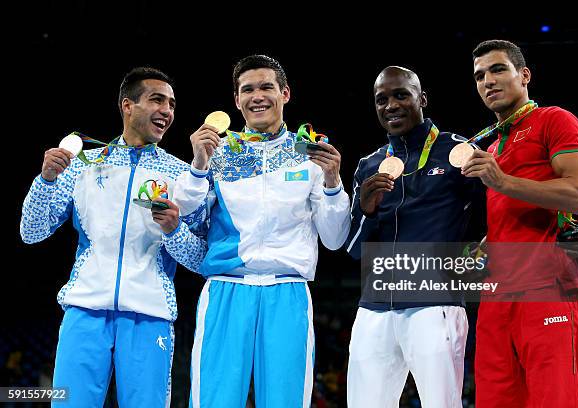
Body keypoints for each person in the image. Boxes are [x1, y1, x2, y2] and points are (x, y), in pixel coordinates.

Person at [163, 54, 351, 407]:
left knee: (286, 401)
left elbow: (335, 238)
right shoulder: (218, 151)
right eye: (248, 89)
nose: (257, 96)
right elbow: (185, 213)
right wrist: (199, 163)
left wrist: (332, 182)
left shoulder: (309, 153)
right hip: (226, 289)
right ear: (237, 100)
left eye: (266, 87)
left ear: (285, 93)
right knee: (213, 401)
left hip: (288, 291)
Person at [20, 67, 203, 407]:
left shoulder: (182, 176)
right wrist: (44, 180)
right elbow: (31, 232)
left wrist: (174, 229)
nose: (167, 111)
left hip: (151, 316)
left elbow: (198, 258)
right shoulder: (83, 165)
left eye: (172, 104)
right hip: (84, 311)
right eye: (157, 100)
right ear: (127, 106)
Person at [463, 39, 578, 407]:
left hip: (546, 289)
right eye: (479, 76)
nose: (488, 81)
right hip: (495, 298)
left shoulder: (554, 119)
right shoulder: (489, 147)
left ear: (524, 75)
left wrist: (502, 182)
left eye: (498, 69)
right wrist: (485, 246)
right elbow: (510, 212)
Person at [344, 66, 479, 407]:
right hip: (374, 307)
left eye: (401, 95)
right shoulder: (369, 164)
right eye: (381, 99)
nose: (391, 105)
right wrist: (367, 210)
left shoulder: (458, 152)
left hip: (434, 304)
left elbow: (495, 215)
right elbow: (354, 249)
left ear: (422, 98)